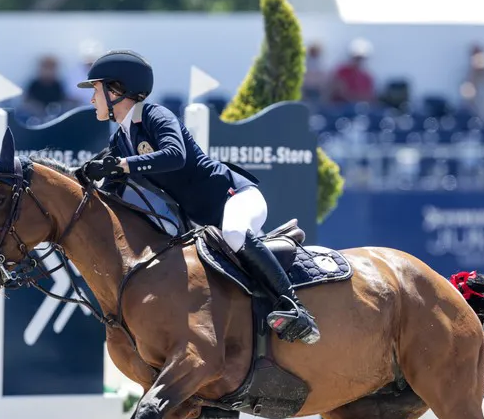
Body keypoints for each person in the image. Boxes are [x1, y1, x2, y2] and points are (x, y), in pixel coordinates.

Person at [74, 49, 320, 345]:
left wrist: (123, 164)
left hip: (234, 198)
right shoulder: (120, 140)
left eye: (96, 91)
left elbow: (175, 156)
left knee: (233, 232)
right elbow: (111, 191)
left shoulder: (154, 115)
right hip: (200, 223)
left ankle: (295, 308)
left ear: (117, 90)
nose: (91, 100)